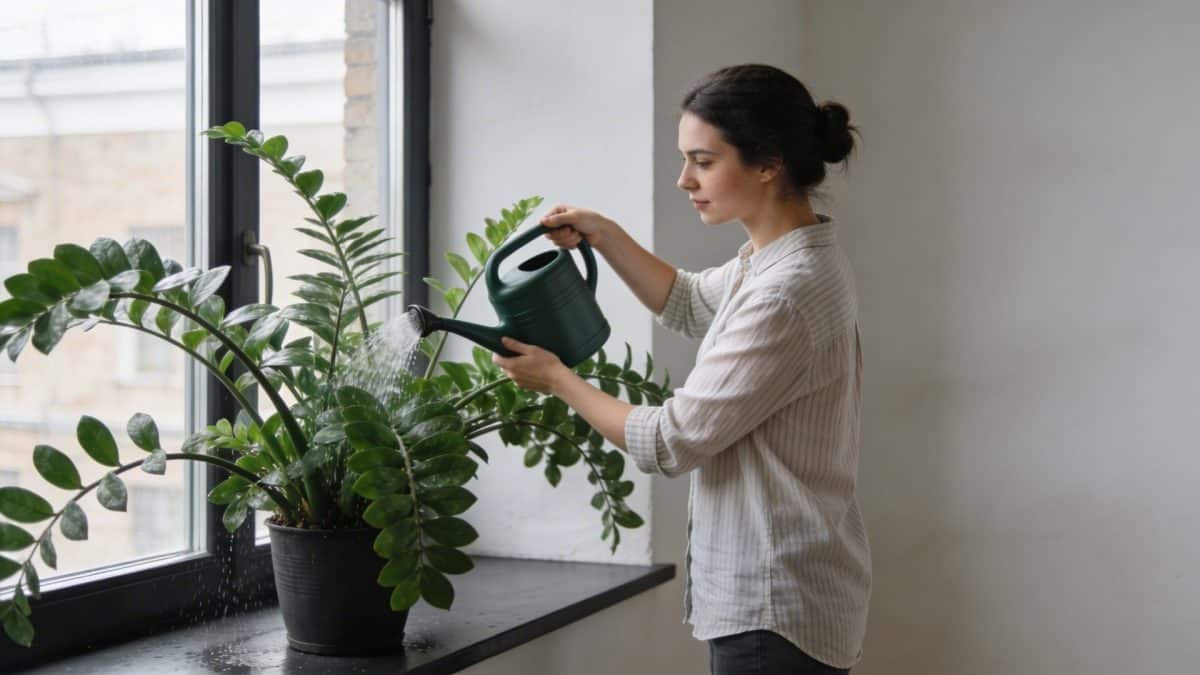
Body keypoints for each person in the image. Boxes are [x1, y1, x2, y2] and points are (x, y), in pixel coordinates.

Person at [491, 63, 870, 674]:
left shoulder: (784, 292)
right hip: (796, 588)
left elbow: (672, 440)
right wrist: (603, 234)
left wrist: (557, 379)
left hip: (772, 607)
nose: (684, 179)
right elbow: (689, 302)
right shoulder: (784, 260)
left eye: (703, 161)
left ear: (768, 163)